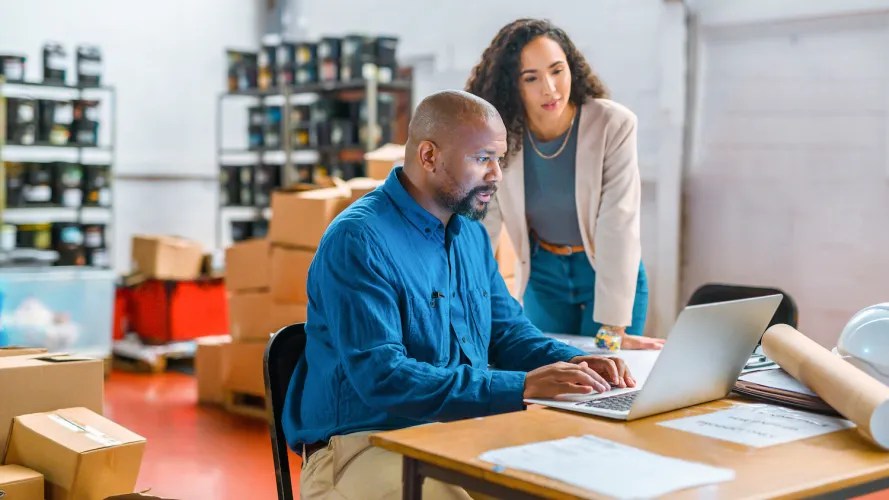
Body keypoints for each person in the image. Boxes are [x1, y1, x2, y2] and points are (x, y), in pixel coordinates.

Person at [282, 90, 636, 500]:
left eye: (499, 160)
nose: (497, 174)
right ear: (429, 156)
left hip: (453, 431)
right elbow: (383, 377)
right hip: (361, 446)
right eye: (482, 158)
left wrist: (573, 362)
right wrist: (520, 387)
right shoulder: (358, 240)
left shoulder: (469, 234)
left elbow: (507, 332)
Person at [466, 19, 665, 350]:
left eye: (557, 70)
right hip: (544, 276)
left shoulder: (612, 125)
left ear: (571, 67)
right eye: (531, 78)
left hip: (605, 270)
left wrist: (613, 328)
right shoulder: (502, 136)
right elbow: (482, 227)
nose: (550, 88)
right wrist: (468, 305)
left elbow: (619, 222)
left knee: (606, 380)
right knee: (551, 374)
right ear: (511, 85)